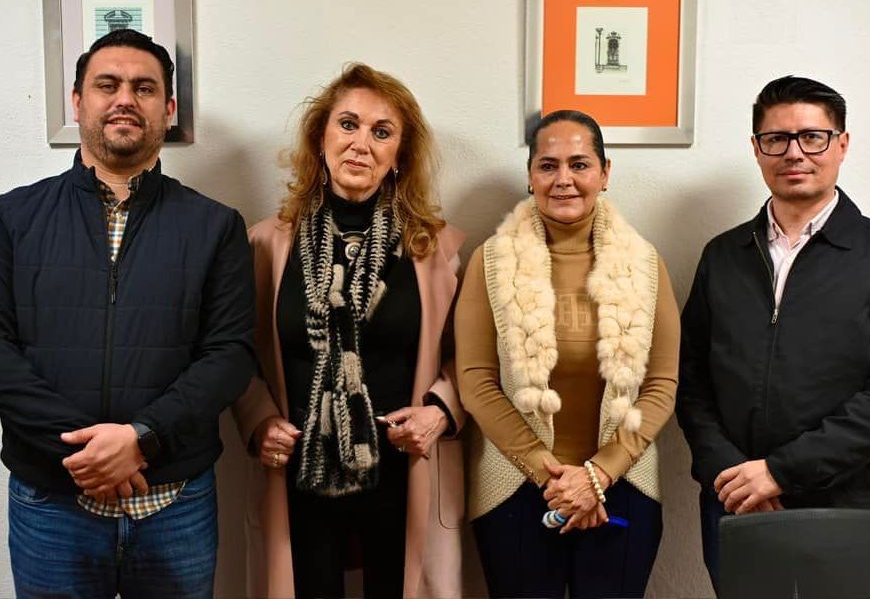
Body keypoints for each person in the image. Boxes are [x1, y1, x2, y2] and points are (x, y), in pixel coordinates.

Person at [0, 29, 255, 598]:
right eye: (107, 85)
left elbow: (230, 355)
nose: (124, 99)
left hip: (175, 505)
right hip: (52, 505)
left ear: (168, 109)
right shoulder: (12, 218)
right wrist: (88, 454)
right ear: (77, 101)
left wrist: (142, 438)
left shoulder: (215, 226)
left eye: (144, 88)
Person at [232, 63, 465, 599]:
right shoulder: (266, 244)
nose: (361, 144)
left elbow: (471, 359)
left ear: (399, 154)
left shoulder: (438, 250)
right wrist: (258, 419)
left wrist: (439, 412)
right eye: (348, 124)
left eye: (382, 132)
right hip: (299, 474)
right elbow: (233, 350)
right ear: (321, 139)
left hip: (404, 470)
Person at [455, 109, 679, 599]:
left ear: (605, 172)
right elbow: (475, 381)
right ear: (530, 175)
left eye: (579, 164)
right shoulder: (489, 262)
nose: (564, 179)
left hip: (624, 483)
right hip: (515, 487)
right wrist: (550, 475)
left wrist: (599, 475)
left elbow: (662, 383)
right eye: (548, 165)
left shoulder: (645, 264)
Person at [677, 75, 870, 590]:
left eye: (813, 137)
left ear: (842, 144)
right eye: (777, 139)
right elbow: (691, 380)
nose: (794, 153)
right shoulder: (722, 255)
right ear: (757, 148)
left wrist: (781, 472)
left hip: (848, 507)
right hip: (736, 502)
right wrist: (731, 473)